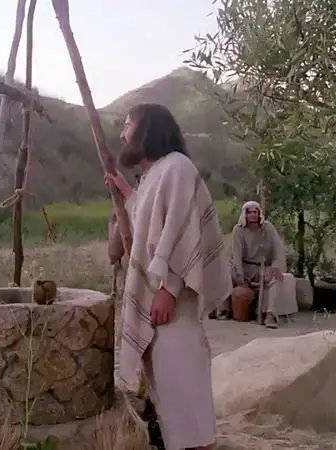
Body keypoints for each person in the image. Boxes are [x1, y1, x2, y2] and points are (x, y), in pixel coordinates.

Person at [106, 103, 232, 450]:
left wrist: (169, 290)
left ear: (146, 128)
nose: (123, 134)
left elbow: (180, 233)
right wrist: (126, 191)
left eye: (128, 125)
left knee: (184, 382)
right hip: (161, 297)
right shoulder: (155, 173)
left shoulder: (177, 167)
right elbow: (152, 223)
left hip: (172, 299)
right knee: (167, 386)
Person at [227, 201, 295, 329]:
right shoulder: (238, 230)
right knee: (224, 274)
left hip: (262, 267)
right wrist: (240, 274)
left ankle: (270, 315)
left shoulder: (267, 228)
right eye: (249, 212)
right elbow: (237, 254)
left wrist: (276, 266)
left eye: (255, 212)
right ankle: (222, 310)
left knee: (276, 278)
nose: (252, 214)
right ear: (245, 214)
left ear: (259, 214)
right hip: (244, 266)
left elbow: (277, 247)